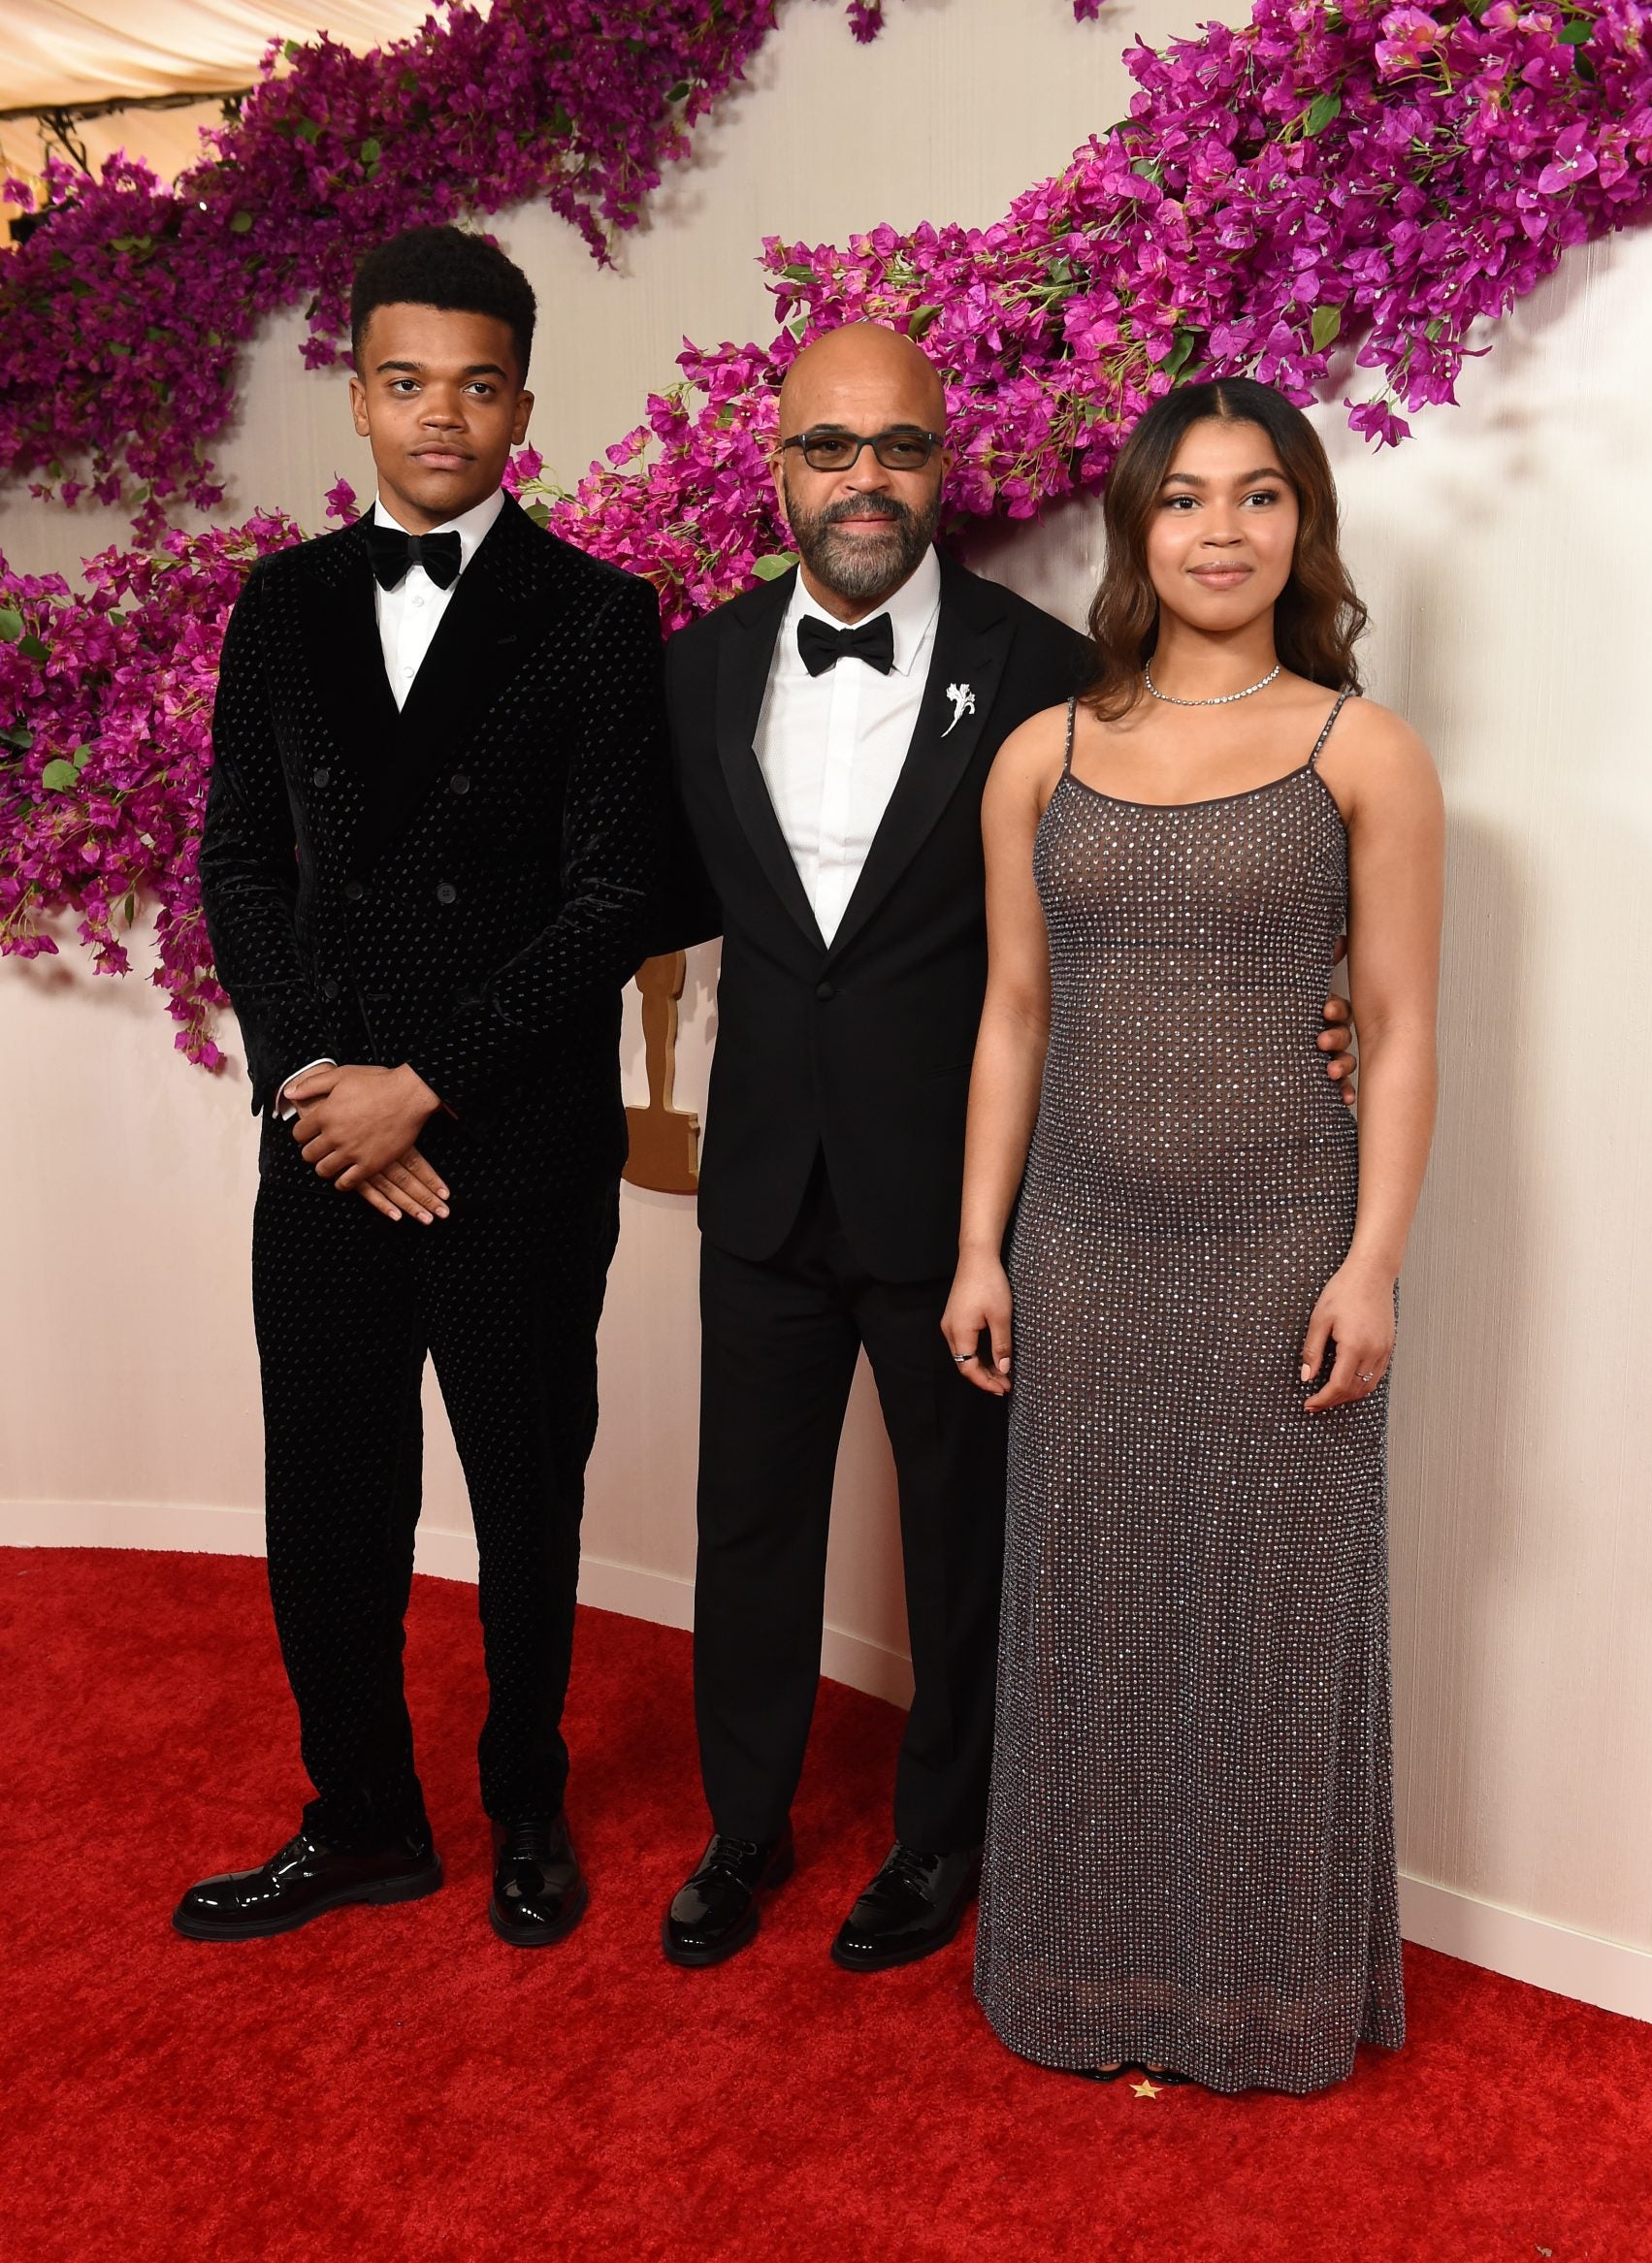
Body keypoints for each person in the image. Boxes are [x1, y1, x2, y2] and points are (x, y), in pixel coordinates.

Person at [656, 327, 1360, 1974]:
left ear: (941, 466)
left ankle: (941, 1838)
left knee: (967, 1542)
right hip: (762, 1179)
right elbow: (651, 894)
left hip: (967, 1194)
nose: (865, 480)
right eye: (831, 449)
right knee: (746, 1524)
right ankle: (740, 1830)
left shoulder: (1046, 673)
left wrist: (1321, 1001)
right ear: (778, 467)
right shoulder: (691, 668)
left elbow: (1149, 887)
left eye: (898, 449)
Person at [944, 376, 1443, 2094]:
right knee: (1090, 1617)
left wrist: (1372, 1261)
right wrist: (979, 1248)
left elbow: (1398, 1023)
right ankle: (1084, 1985)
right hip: (1079, 1250)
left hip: (1282, 1254)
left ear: (1302, 528)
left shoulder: (1358, 748)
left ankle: (1268, 1998)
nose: (1220, 531)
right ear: (1134, 530)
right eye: (1184, 498)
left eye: (1258, 497)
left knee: (1274, 1627)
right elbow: (1013, 1015)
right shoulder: (1044, 754)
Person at [176, 224, 669, 1948]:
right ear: (361, 398)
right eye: (406, 382)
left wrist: (423, 1089)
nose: (439, 415)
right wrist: (325, 1083)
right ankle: (363, 1816)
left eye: (475, 385)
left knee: (526, 1489)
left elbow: (612, 896)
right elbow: (240, 866)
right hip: (323, 1139)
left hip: (513, 1141)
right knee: (325, 1492)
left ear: (524, 404)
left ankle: (527, 1799)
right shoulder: (280, 602)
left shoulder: (603, 615)